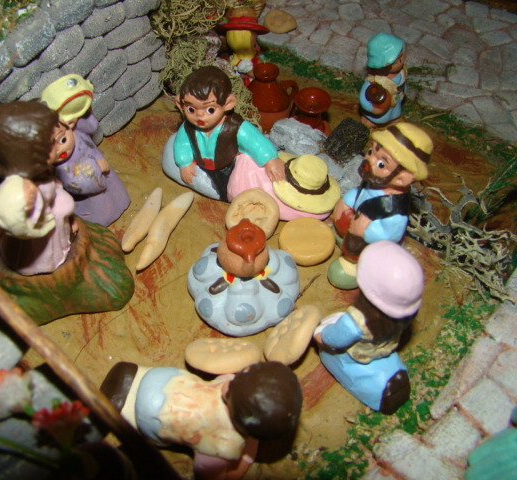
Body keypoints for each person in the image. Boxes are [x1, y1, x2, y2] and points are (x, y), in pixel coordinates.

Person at [100, 361, 302, 480]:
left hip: (160, 381)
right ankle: (123, 401)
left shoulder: (221, 444)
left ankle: (128, 386)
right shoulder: (224, 445)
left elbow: (208, 474)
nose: (233, 379)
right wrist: (247, 458)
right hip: (151, 412)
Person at [315, 241, 424, 414]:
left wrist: (321, 334)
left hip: (356, 353)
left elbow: (335, 338)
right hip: (385, 347)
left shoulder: (356, 322)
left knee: (329, 344)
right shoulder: (403, 314)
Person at [327, 122, 432, 289]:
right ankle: (341, 238)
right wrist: (347, 200)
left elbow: (389, 235)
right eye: (370, 152)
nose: (369, 161)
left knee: (339, 274)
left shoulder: (394, 210)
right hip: (352, 230)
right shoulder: (376, 179)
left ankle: (355, 265)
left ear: (402, 178)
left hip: (370, 248)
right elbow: (360, 193)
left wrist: (366, 230)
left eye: (382, 164)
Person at [162, 65, 285, 201]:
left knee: (231, 188)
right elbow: (182, 144)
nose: (199, 116)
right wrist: (184, 162)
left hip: (228, 166)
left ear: (228, 104)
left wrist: (270, 159)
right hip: (202, 165)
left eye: (210, 110)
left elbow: (255, 141)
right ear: (180, 104)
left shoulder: (235, 127)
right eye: (191, 109)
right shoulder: (188, 128)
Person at [0, 101, 76, 276]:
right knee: (39, 249)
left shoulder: (40, 173)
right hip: (40, 233)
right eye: (52, 144)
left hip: (52, 220)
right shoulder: (22, 191)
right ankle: (43, 264)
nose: (58, 147)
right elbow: (23, 224)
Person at [40, 74, 130, 227]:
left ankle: (120, 202)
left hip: (104, 175)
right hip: (89, 190)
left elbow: (91, 132)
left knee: (116, 194)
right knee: (98, 208)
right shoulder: (60, 167)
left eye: (63, 140)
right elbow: (74, 182)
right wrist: (96, 172)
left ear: (69, 125)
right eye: (50, 149)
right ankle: (102, 219)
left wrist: (82, 111)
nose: (60, 150)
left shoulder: (76, 132)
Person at [359, 32, 406, 128]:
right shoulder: (375, 82)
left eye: (402, 56)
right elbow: (363, 98)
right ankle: (370, 121)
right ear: (385, 65)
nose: (403, 60)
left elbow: (402, 83)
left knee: (393, 113)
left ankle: (392, 120)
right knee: (379, 118)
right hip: (381, 109)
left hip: (395, 102)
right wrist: (373, 109)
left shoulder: (401, 72)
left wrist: (403, 91)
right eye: (398, 60)